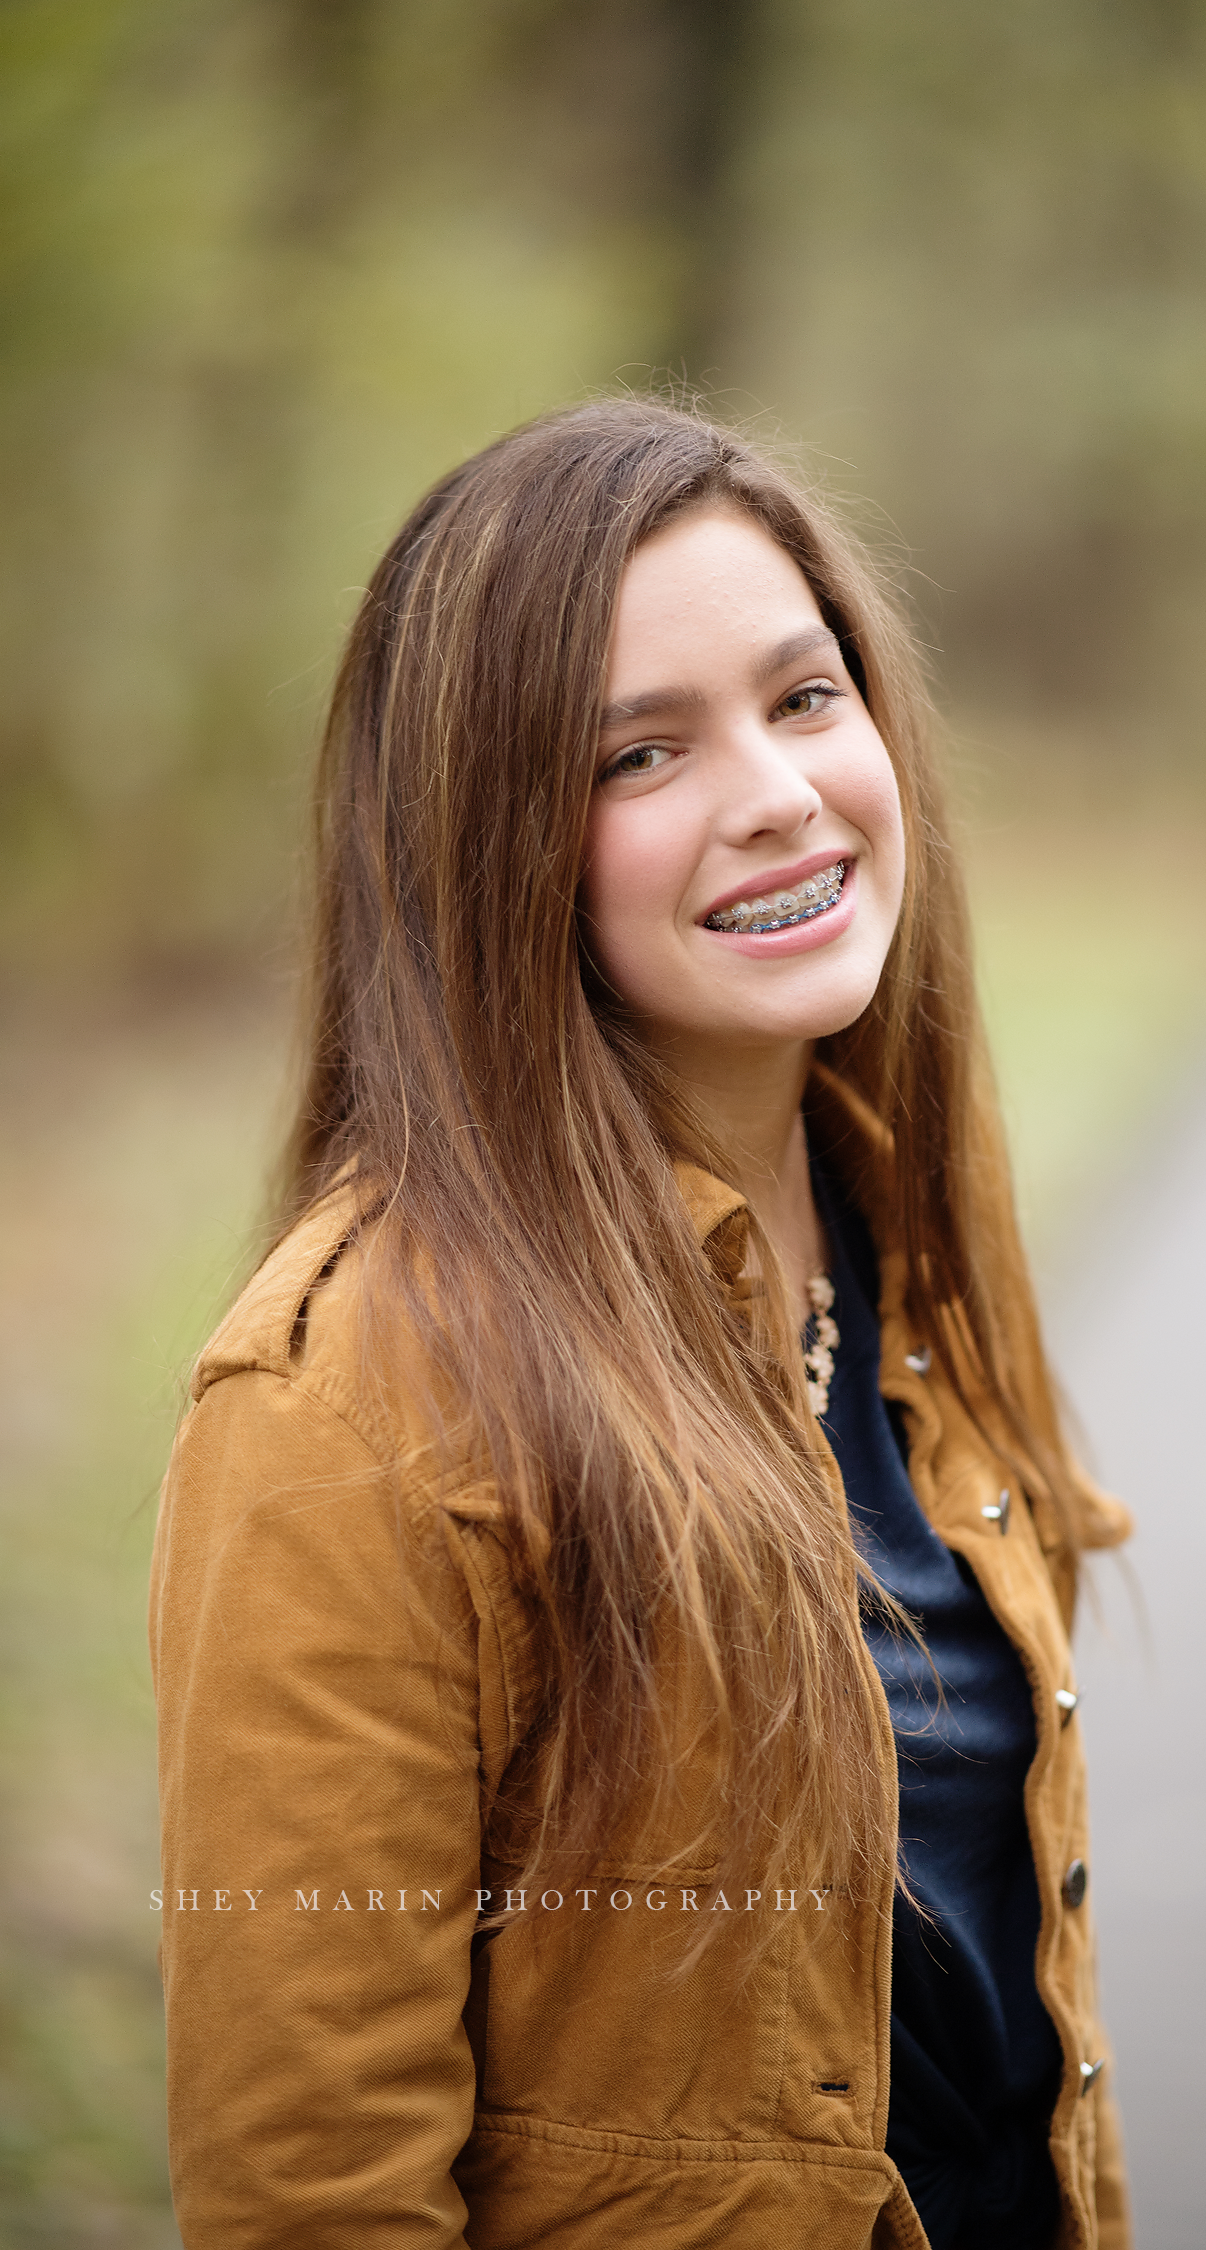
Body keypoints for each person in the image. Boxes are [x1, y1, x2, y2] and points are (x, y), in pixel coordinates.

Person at [151, 398, 1133, 2249]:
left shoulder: (898, 1243)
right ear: (486, 841)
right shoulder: (346, 1402)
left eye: (805, 696)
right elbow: (312, 2190)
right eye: (636, 754)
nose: (773, 789)